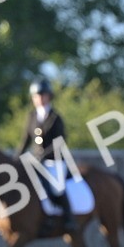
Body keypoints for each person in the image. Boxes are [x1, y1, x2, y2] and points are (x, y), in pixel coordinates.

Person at [18, 77, 73, 226]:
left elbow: (60, 143)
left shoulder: (55, 118)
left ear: (49, 96)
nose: (40, 99)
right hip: (36, 161)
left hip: (54, 160)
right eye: (37, 96)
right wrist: (16, 158)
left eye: (43, 95)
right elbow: (26, 140)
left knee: (56, 187)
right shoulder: (32, 116)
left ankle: (69, 218)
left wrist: (42, 156)